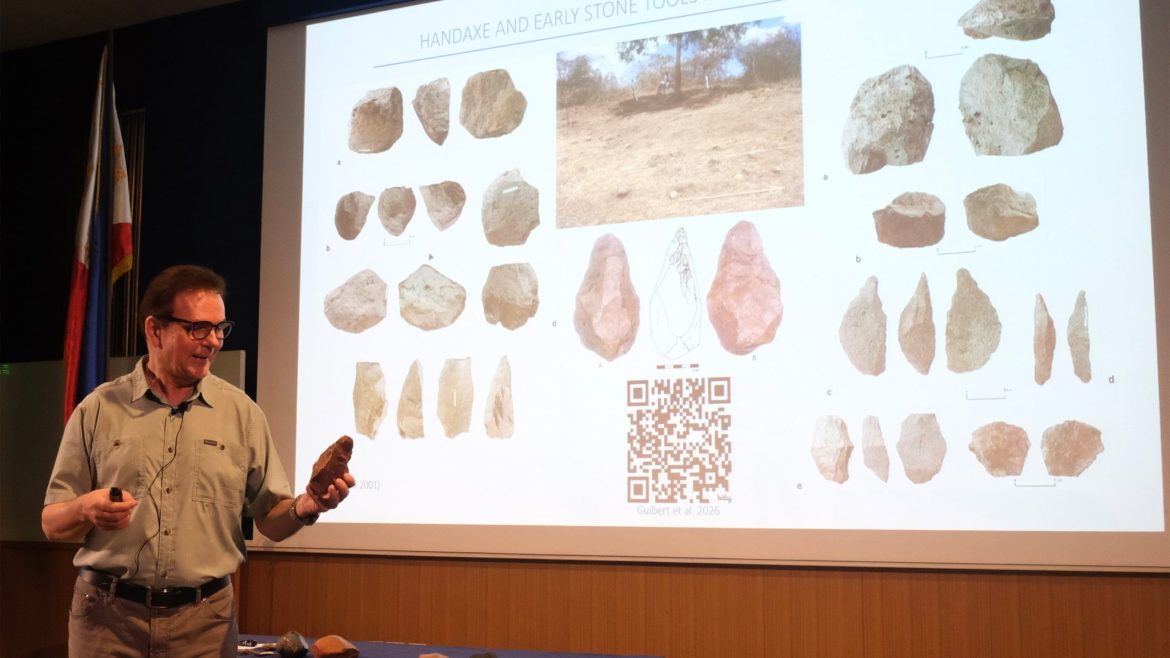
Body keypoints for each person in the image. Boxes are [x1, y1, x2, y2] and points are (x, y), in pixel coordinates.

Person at [42, 264, 354, 657]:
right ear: (155, 330)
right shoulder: (98, 409)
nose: (213, 341)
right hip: (107, 623)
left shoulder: (242, 414)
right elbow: (52, 522)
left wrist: (307, 506)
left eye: (220, 329)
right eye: (199, 328)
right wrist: (86, 508)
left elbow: (271, 520)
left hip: (205, 627)